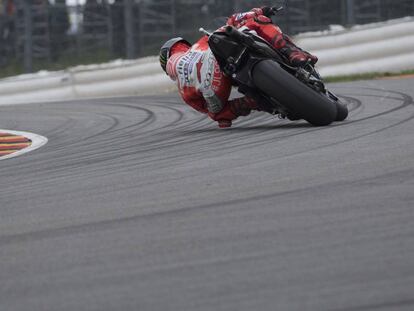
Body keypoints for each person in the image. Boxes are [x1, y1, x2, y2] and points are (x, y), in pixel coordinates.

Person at [159, 6, 318, 128]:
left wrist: (241, 105)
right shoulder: (199, 44)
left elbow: (218, 117)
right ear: (181, 46)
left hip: (216, 85)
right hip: (218, 66)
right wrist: (260, 11)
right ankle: (293, 53)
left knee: (221, 110)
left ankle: (255, 101)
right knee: (257, 19)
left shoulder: (184, 90)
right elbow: (235, 20)